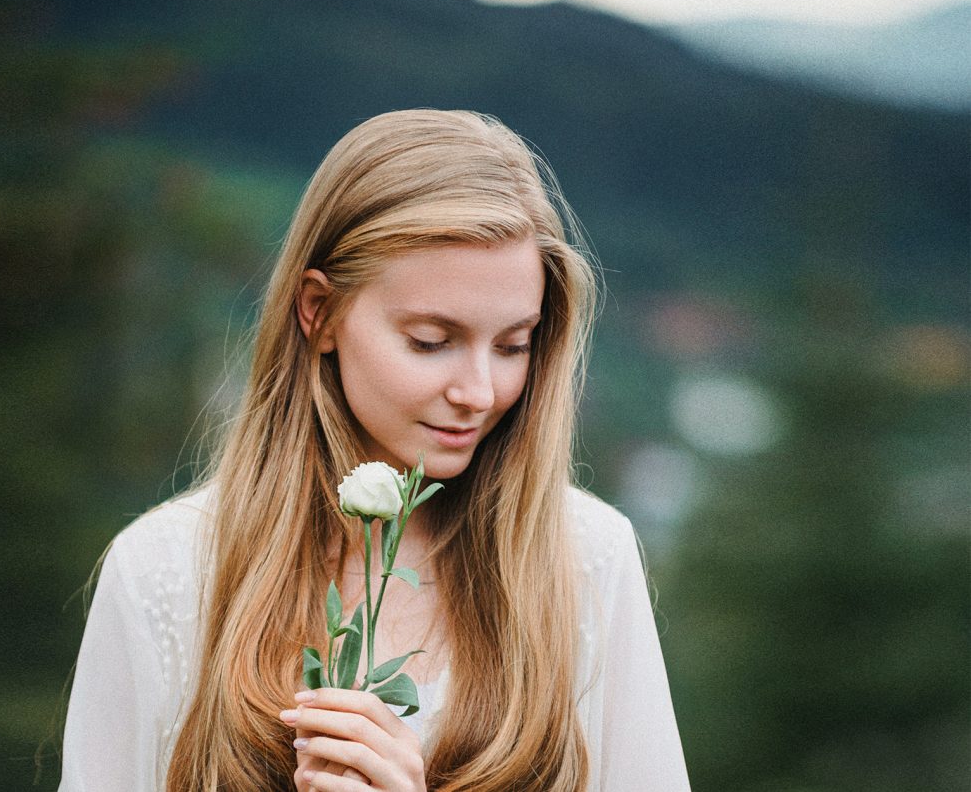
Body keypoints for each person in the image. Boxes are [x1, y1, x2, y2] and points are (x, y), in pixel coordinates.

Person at [59, 109, 691, 791]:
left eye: (513, 344)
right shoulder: (166, 570)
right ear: (318, 311)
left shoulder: (587, 557)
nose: (480, 390)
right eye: (430, 339)